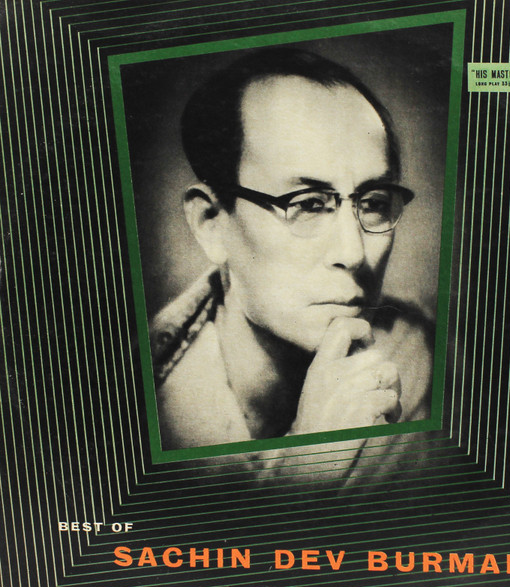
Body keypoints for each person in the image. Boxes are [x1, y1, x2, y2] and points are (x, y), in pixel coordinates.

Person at [149, 48, 434, 471]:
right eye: (308, 204)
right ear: (211, 222)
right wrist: (302, 476)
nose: (353, 253)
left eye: (374, 202)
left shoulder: (425, 361)